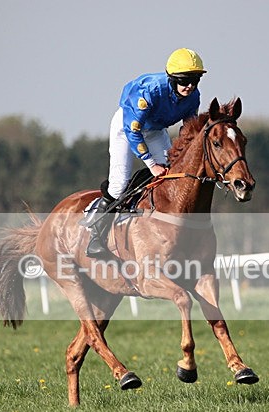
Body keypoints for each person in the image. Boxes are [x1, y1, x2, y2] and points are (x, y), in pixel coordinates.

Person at [84, 48, 207, 257]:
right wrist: (151, 164)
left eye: (195, 79)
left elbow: (188, 131)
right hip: (127, 128)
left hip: (156, 130)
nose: (190, 86)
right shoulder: (149, 91)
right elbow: (134, 131)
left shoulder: (193, 97)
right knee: (118, 184)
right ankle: (94, 234)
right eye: (185, 80)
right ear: (173, 77)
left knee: (172, 175)